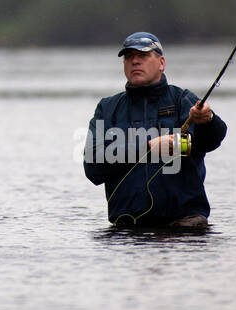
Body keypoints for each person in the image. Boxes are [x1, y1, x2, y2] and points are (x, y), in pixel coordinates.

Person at [82, 32, 227, 227]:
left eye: (142, 56)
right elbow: (93, 168)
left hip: (185, 227)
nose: (135, 62)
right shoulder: (107, 109)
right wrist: (148, 147)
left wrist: (208, 120)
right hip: (127, 232)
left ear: (161, 63)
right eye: (129, 57)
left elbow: (211, 141)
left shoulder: (182, 100)